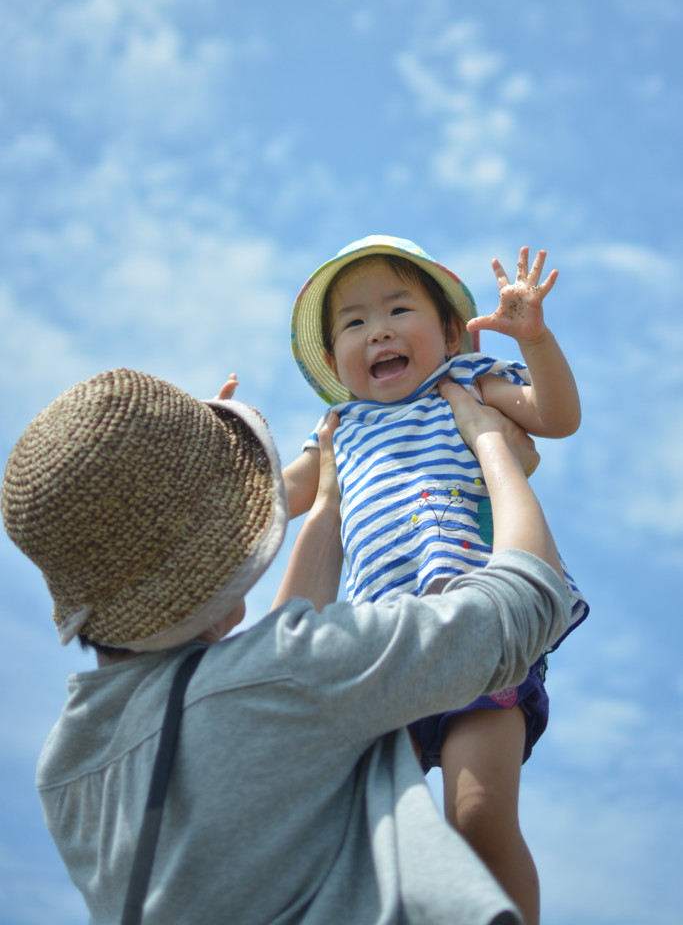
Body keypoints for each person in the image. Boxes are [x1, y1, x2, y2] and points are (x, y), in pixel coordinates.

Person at [1, 366, 573, 925]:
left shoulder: (67, 772)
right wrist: (493, 448)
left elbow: (268, 694)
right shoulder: (289, 679)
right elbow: (526, 598)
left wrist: (326, 509)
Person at [268, 235, 589, 925]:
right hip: (382, 646)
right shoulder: (337, 428)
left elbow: (556, 418)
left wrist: (534, 339)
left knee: (476, 814)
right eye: (353, 323)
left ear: (448, 332)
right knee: (379, 835)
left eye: (396, 310)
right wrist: (214, 445)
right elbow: (271, 495)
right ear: (333, 363)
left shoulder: (465, 382)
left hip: (478, 626)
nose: (376, 329)